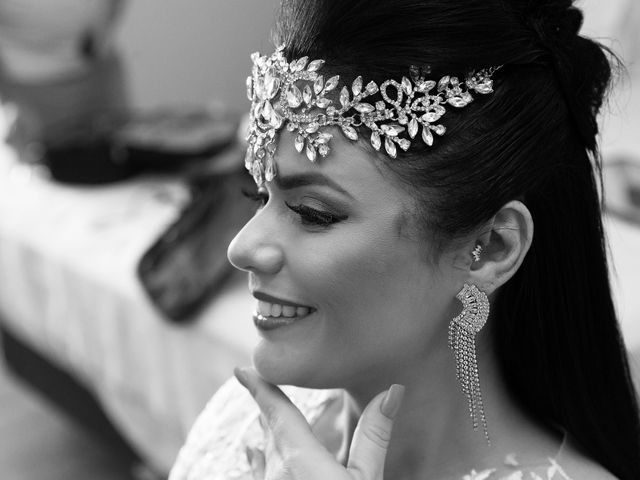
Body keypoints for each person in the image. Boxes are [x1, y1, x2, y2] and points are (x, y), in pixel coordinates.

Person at [169, 0, 640, 478]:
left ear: (492, 247)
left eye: (314, 213)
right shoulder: (251, 421)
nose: (241, 248)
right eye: (258, 195)